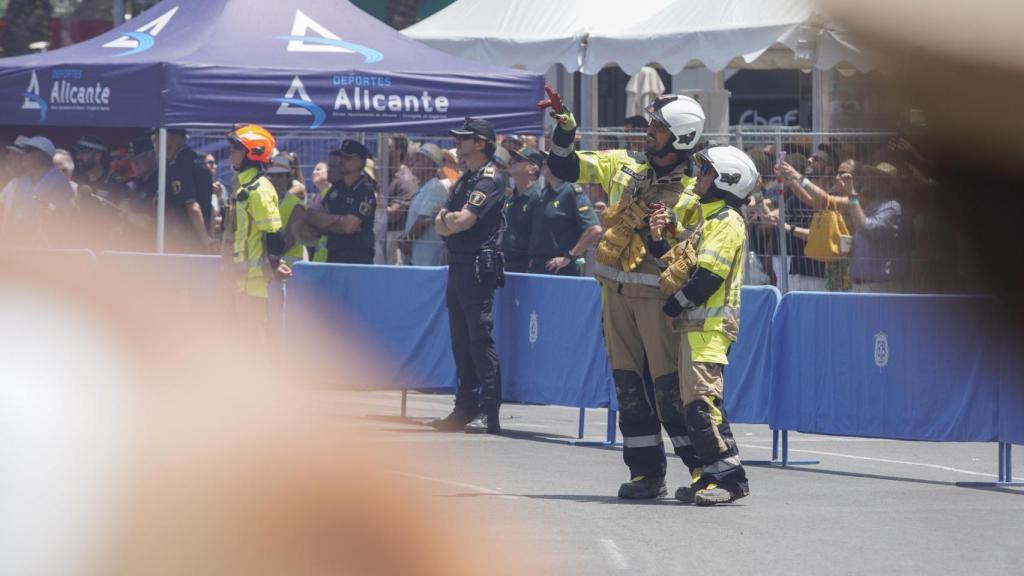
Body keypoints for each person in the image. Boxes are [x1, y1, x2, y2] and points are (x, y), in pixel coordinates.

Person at [542, 85, 706, 499]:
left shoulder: (696, 190)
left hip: (660, 302)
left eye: (658, 127)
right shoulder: (624, 165)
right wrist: (564, 128)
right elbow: (564, 166)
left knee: (669, 391)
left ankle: (703, 471)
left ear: (681, 137)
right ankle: (647, 475)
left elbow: (690, 249)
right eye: (650, 124)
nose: (648, 131)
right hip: (614, 297)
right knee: (629, 388)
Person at [650, 145, 757, 506]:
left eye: (706, 171)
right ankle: (709, 476)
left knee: (702, 405)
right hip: (694, 328)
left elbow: (710, 276)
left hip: (709, 331)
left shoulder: (727, 222)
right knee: (690, 405)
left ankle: (731, 479)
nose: (698, 176)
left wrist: (673, 304)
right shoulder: (707, 219)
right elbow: (680, 266)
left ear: (724, 181)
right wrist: (659, 237)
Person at [429, 117, 506, 435]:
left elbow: (463, 220)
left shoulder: (489, 179)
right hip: (458, 263)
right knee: (460, 341)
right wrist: (449, 220)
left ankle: (489, 410)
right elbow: (440, 221)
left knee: (478, 338)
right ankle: (465, 407)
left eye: (464, 138)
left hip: (477, 267)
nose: (457, 143)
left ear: (481, 143)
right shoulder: (465, 178)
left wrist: (448, 220)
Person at [224, 124, 287, 333]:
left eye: (236, 148)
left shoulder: (259, 189)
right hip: (240, 276)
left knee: (254, 336)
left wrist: (275, 264)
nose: (230, 152)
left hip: (255, 281)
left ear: (253, 153)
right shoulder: (242, 185)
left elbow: (274, 235)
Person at [527, 151, 602, 276]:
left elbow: (594, 229)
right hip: (538, 266)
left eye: (549, 159)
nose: (544, 162)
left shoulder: (571, 191)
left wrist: (570, 256)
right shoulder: (545, 193)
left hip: (560, 269)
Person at [304, 140, 377, 265]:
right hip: (333, 257)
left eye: (348, 158)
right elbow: (313, 220)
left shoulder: (364, 191)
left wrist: (327, 222)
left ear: (360, 162)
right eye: (342, 157)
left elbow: (348, 226)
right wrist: (337, 219)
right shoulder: (336, 188)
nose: (342, 161)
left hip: (357, 260)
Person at [847, 162, 910, 292]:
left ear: (886, 185)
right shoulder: (872, 206)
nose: (869, 181)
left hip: (879, 288)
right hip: (861, 285)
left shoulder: (892, 207)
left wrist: (852, 195)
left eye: (874, 178)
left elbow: (867, 228)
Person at [154, 128, 216, 254]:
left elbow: (192, 206)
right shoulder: (198, 160)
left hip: (186, 241)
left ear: (169, 139)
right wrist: (209, 237)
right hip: (198, 238)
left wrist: (204, 239)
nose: (156, 145)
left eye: (156, 140)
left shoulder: (180, 163)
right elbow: (211, 207)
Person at [401, 143, 449, 266]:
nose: (413, 163)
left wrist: (406, 241)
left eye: (418, 160)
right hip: (417, 258)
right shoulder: (424, 188)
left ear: (429, 164)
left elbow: (422, 221)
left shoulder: (434, 188)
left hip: (427, 260)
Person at [501, 147, 544, 273]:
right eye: (513, 158)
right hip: (507, 264)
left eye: (519, 159)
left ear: (532, 169)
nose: (513, 161)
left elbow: (540, 236)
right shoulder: (511, 199)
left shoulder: (539, 198)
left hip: (528, 267)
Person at [265, 154, 308, 265]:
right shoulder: (265, 202)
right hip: (270, 265)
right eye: (272, 175)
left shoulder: (296, 204)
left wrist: (273, 259)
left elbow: (291, 240)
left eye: (280, 175)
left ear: (288, 177)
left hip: (289, 267)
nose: (275, 179)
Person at [383, 136, 419, 264]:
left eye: (387, 147)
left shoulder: (405, 179)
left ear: (398, 151)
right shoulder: (384, 176)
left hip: (395, 237)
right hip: (382, 235)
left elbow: (394, 215)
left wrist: (376, 206)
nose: (381, 150)